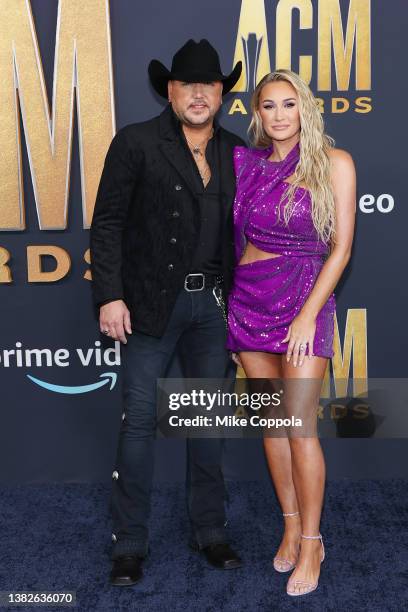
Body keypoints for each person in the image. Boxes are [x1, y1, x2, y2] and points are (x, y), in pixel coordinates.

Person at [90, 39, 245, 586]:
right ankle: (129, 542)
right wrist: (110, 295)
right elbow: (107, 222)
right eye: (188, 84)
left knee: (207, 423)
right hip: (148, 305)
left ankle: (210, 530)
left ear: (222, 93)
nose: (199, 93)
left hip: (214, 306)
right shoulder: (136, 142)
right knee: (138, 425)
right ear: (170, 90)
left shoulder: (236, 150)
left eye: (210, 84)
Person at [226, 69, 356, 596]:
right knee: (272, 426)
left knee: (299, 425)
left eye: (288, 104)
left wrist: (308, 313)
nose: (279, 116)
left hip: (304, 299)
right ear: (258, 114)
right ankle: (287, 523)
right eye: (269, 107)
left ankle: (311, 541)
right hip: (248, 299)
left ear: (305, 108)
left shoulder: (334, 163)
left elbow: (341, 247)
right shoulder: (245, 163)